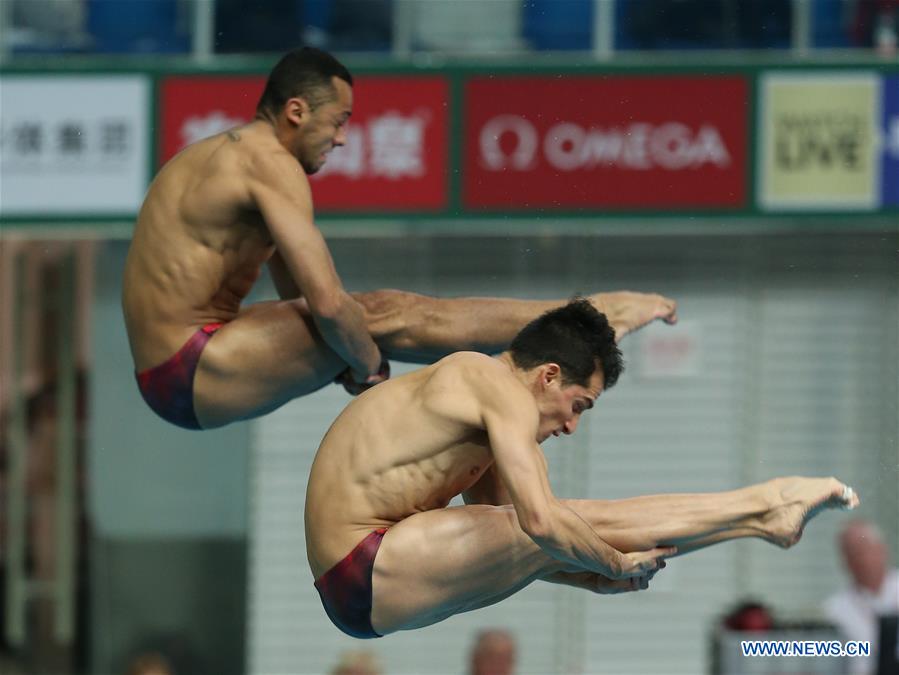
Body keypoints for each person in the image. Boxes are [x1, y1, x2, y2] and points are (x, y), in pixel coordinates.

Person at [122, 46, 678, 430]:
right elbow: (329, 304)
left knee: (370, 320)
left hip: (175, 369)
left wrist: (348, 354)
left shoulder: (224, 153)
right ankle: (592, 315)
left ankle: (555, 333)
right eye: (338, 121)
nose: (342, 139)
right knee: (388, 313)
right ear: (296, 111)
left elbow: (295, 292)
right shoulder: (270, 164)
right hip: (192, 364)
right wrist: (366, 366)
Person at [304, 299, 859, 639]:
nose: (571, 427)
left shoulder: (485, 413)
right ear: (548, 375)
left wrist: (587, 577)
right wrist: (613, 565)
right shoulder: (491, 384)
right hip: (366, 561)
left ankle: (757, 522)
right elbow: (542, 525)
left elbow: (519, 539)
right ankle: (765, 503)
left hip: (363, 583)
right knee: (576, 520)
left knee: (565, 530)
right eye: (578, 406)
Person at [824, 519, 899, 675]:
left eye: (864, 549)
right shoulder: (833, 611)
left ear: (882, 549)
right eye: (851, 553)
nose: (860, 559)